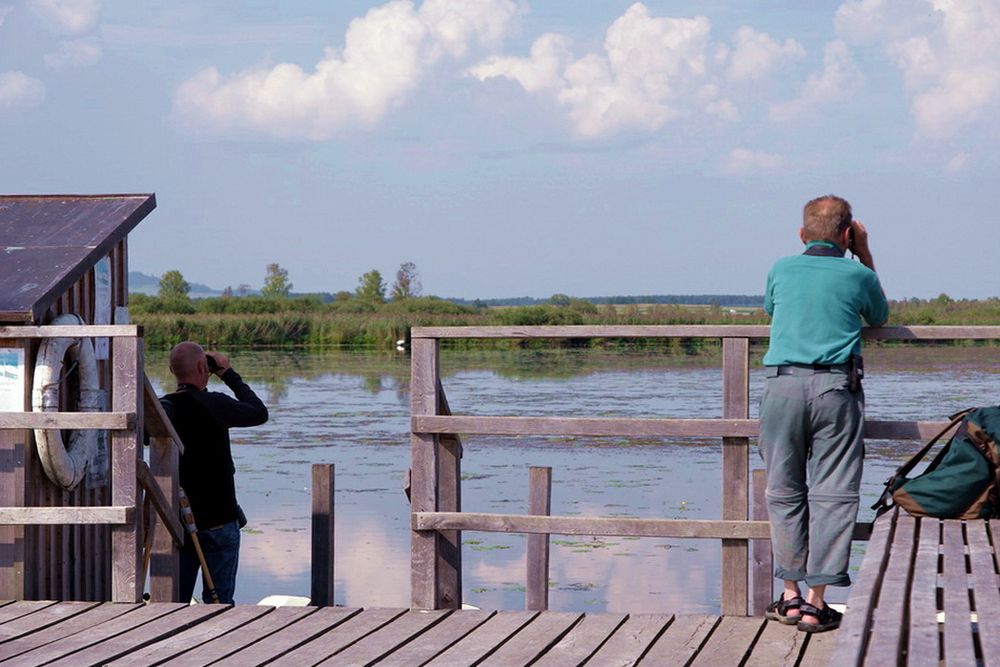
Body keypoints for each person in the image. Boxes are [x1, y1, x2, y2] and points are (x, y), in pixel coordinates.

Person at [759, 195, 889, 633]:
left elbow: (772, 310)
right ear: (847, 234)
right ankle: (817, 603)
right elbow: (880, 315)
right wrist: (865, 254)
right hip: (836, 388)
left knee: (783, 489)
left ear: (802, 234)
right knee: (833, 493)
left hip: (782, 385)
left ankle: (790, 596)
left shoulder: (781, 268)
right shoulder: (856, 272)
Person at [161, 341, 268, 604]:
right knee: (219, 603)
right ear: (202, 367)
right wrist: (228, 374)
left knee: (175, 601)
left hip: (179, 524)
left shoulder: (164, 409)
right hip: (219, 520)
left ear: (171, 370)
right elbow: (258, 412)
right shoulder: (215, 403)